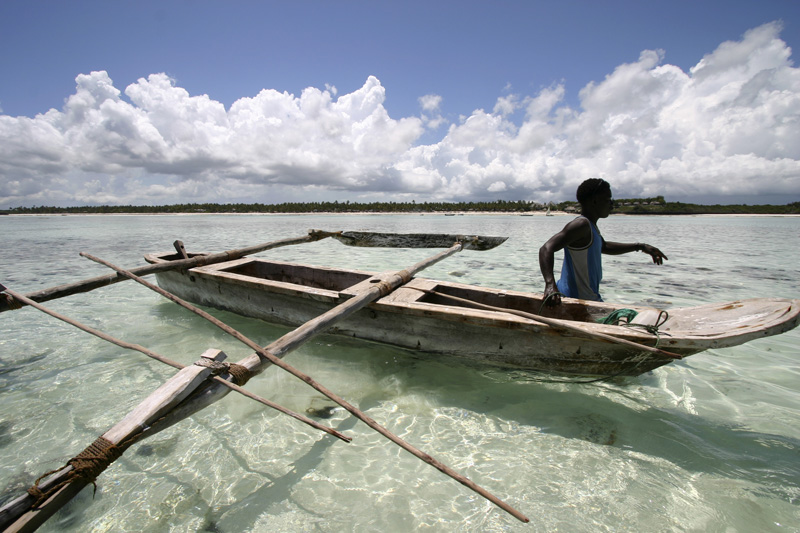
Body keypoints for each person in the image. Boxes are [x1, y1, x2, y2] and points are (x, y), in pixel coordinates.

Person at [539, 178, 667, 305]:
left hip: (587, 298)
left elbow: (603, 246)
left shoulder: (590, 226)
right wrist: (550, 285)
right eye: (607, 199)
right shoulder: (581, 225)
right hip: (575, 300)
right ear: (595, 201)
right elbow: (546, 248)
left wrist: (640, 246)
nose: (611, 204)